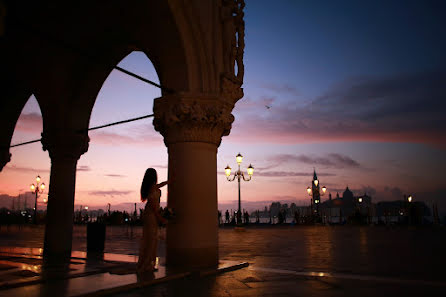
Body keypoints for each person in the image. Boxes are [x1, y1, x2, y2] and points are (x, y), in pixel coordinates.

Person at [137, 168, 169, 273]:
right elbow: (154, 207)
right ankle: (147, 265)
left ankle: (146, 263)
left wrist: (168, 181)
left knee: (149, 238)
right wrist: (161, 219)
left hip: (148, 214)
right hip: (151, 215)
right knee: (151, 239)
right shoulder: (152, 188)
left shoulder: (151, 187)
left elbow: (160, 185)